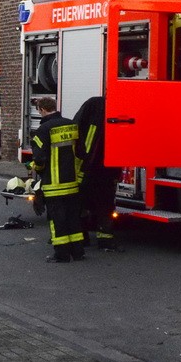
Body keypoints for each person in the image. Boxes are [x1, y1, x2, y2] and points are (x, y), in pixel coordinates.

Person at [30, 97, 85, 263]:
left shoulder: (44, 129)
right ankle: (78, 252)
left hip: (54, 185)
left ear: (42, 110)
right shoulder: (71, 124)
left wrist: (35, 168)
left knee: (57, 220)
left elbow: (39, 159)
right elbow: (81, 152)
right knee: (73, 218)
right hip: (73, 183)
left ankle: (62, 254)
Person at [74, 96, 123, 252]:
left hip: (102, 168)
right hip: (91, 167)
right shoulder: (95, 105)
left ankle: (100, 239)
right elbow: (77, 128)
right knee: (86, 203)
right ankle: (88, 237)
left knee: (102, 204)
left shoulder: (98, 105)